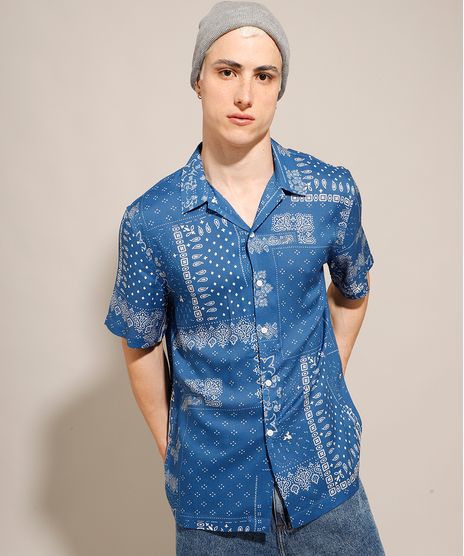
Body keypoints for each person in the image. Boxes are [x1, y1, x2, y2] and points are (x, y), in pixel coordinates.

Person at [103, 1, 386, 554]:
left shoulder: (329, 193)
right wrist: (174, 448)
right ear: (198, 80)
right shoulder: (152, 220)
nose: (244, 95)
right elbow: (140, 343)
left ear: (280, 87)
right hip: (213, 500)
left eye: (264, 76)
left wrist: (322, 380)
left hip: (325, 481)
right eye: (227, 71)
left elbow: (354, 288)